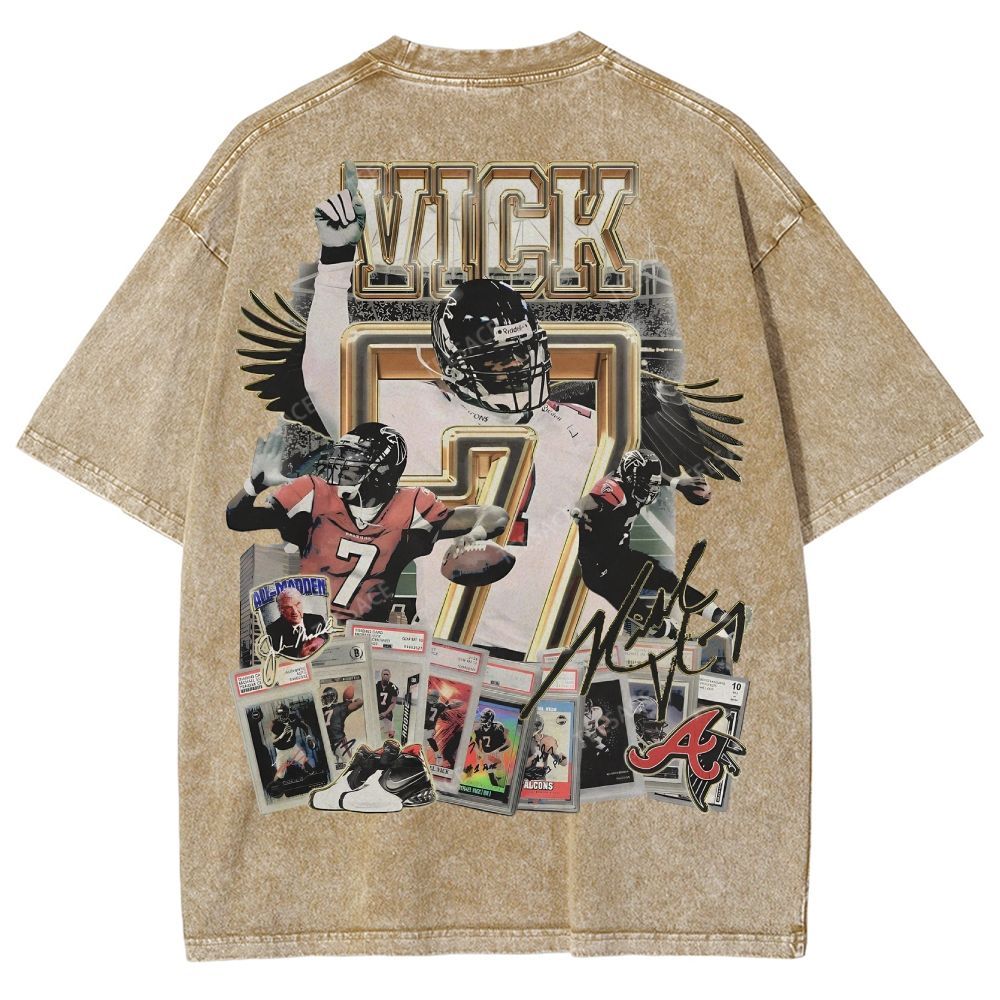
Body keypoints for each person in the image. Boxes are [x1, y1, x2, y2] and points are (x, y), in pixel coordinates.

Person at [226, 421, 508, 622]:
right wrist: (254, 484)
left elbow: (494, 515)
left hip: (366, 638)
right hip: (305, 629)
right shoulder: (314, 492)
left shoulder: (412, 506)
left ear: (383, 468)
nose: (341, 464)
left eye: (352, 457)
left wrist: (476, 533)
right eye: (341, 454)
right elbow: (238, 519)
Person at [263, 588, 327, 659]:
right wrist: (299, 654)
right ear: (281, 610)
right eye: (288, 607)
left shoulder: (317, 620)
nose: (295, 611)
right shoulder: (272, 632)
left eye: (297, 604)